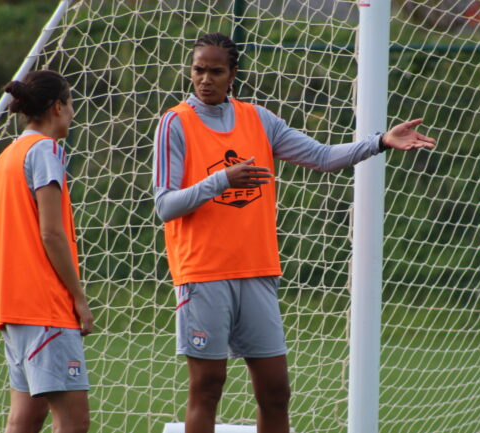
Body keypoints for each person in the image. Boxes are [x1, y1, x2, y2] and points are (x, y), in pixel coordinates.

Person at [152, 33, 435, 433]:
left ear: (233, 74)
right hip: (203, 275)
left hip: (257, 273)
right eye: (199, 70)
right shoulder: (174, 123)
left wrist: (380, 142)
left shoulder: (258, 119)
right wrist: (220, 181)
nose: (205, 79)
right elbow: (165, 205)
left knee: (275, 392)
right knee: (207, 389)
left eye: (216, 71)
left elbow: (320, 156)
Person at [0, 70, 93, 433]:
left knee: (24, 420)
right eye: (71, 103)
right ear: (57, 106)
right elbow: (51, 233)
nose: (73, 112)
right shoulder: (46, 150)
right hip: (45, 305)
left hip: (13, 306)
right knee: (74, 422)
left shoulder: (5, 158)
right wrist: (78, 297)